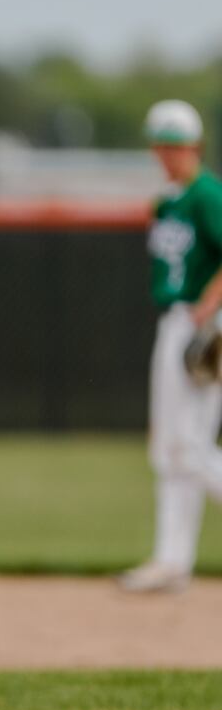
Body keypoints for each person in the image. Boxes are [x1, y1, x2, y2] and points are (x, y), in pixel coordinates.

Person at [121, 99, 222, 595]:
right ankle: (172, 562)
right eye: (162, 145)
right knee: (169, 448)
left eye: (176, 146)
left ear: (195, 147)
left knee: (192, 444)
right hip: (174, 322)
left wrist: (210, 303)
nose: (168, 154)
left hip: (204, 324)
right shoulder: (169, 198)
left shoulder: (206, 194)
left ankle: (172, 561)